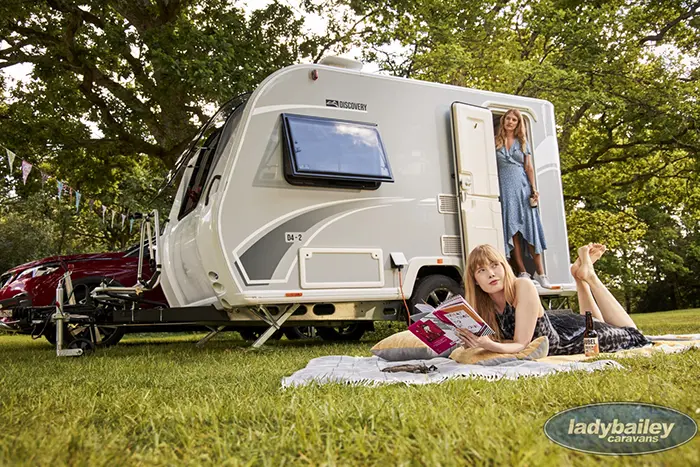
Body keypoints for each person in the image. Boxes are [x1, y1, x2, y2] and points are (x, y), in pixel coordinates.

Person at [456, 243, 651, 356]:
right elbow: (488, 342)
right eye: (482, 270)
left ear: (505, 267)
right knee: (594, 322)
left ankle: (590, 276)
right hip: (562, 326)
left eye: (495, 265)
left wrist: (489, 345)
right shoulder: (480, 305)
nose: (491, 274)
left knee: (634, 335)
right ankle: (579, 276)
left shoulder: (523, 286)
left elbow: (520, 345)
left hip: (568, 342)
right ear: (475, 279)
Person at [494, 109, 549, 288]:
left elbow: (529, 168)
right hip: (506, 190)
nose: (510, 122)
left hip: (523, 189)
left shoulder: (523, 143)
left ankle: (541, 274)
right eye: (508, 119)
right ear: (503, 121)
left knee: (530, 230)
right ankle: (523, 271)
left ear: (518, 124)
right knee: (513, 233)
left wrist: (534, 189)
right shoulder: (495, 142)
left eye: (514, 120)